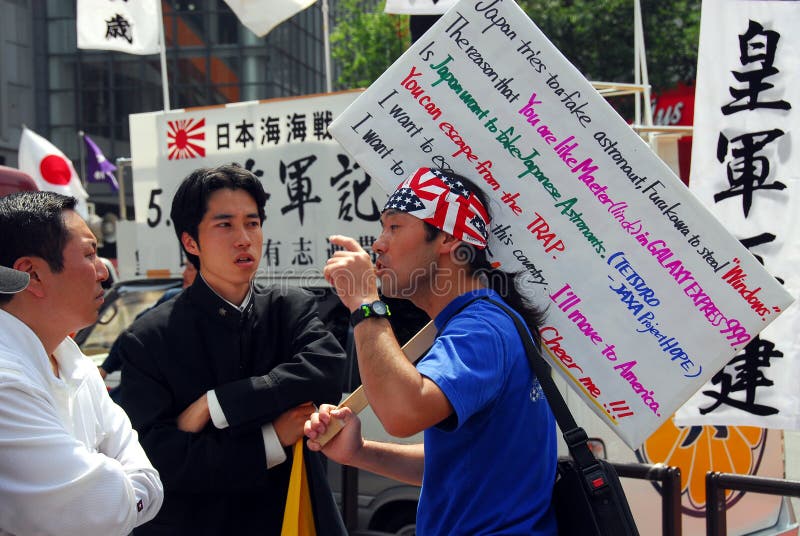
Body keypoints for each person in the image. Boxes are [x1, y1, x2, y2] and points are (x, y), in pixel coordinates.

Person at [305, 167, 559, 535]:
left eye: (394, 227)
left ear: (448, 240)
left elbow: (402, 415)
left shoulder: (481, 328)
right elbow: (456, 465)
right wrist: (359, 452)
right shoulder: (486, 321)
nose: (378, 244)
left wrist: (364, 303)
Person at [116, 164, 347, 535]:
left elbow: (327, 370)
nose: (244, 238)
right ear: (191, 242)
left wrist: (217, 404)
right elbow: (162, 457)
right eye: (225, 225)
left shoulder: (289, 307)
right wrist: (271, 437)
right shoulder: (148, 338)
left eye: (253, 223)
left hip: (292, 515)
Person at [0, 191, 163, 536]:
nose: (104, 271)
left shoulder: (76, 363)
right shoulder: (5, 383)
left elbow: (149, 482)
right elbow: (98, 511)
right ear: (31, 274)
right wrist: (120, 489)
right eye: (89, 254)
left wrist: (118, 491)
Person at [98, 262, 197, 381]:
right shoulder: (172, 298)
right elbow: (136, 330)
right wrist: (105, 368)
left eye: (190, 269)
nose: (184, 273)